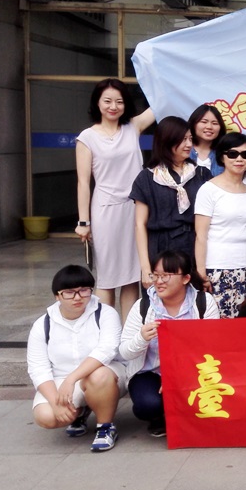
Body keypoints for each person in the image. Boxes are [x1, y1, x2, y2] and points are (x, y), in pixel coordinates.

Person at [76, 78, 154, 318]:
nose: (113, 106)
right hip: (105, 211)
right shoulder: (87, 137)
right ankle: (106, 332)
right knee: (107, 277)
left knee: (131, 276)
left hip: (135, 209)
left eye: (119, 101)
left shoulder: (133, 126)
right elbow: (83, 183)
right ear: (97, 103)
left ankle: (129, 334)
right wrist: (83, 222)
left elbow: (160, 103)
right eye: (107, 101)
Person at [120, 249, 220, 438]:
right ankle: (158, 418)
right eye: (155, 275)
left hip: (194, 370)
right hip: (151, 372)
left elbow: (212, 347)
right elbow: (124, 352)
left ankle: (186, 415)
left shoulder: (203, 302)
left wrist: (178, 378)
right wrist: (142, 338)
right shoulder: (143, 306)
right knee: (149, 404)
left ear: (186, 278)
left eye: (166, 275)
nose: (159, 281)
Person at [27, 265, 126, 452]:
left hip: (106, 374)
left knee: (99, 376)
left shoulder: (105, 313)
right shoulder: (43, 324)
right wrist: (55, 402)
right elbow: (38, 368)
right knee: (46, 416)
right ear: (57, 296)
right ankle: (81, 411)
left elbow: (106, 350)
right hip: (62, 379)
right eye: (69, 293)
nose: (78, 297)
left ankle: (105, 427)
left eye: (84, 290)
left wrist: (72, 379)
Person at [131, 116, 212, 288]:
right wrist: (145, 268)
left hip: (193, 244)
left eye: (190, 139)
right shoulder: (147, 177)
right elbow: (140, 225)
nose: (188, 144)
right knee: (161, 297)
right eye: (183, 140)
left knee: (195, 297)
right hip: (160, 246)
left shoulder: (201, 174)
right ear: (167, 141)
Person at [194, 132, 246, 318]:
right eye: (232, 154)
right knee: (218, 323)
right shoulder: (209, 189)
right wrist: (201, 272)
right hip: (217, 267)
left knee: (244, 323)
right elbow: (201, 235)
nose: (239, 159)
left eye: (245, 155)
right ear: (222, 156)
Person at [187, 103, 226, 176]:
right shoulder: (182, 150)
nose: (209, 127)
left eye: (215, 123)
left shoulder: (225, 154)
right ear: (193, 124)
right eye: (204, 122)